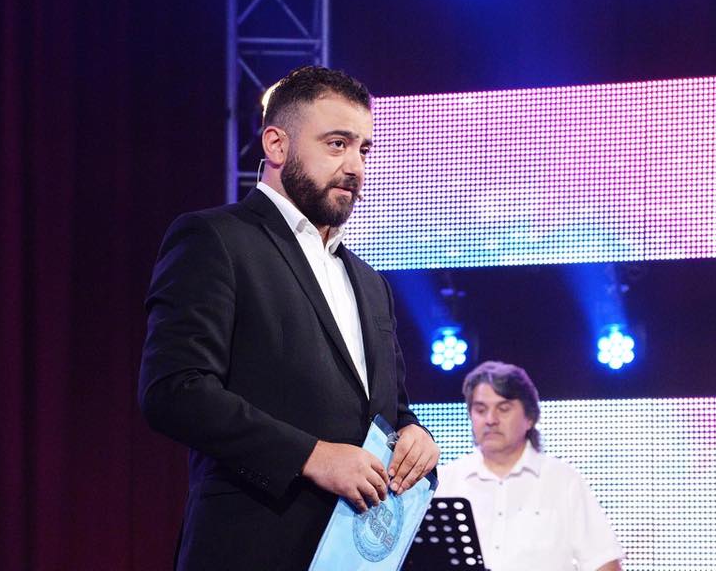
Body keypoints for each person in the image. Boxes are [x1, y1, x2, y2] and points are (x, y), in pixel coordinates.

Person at [139, 66, 439, 571]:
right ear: (276, 144)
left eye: (364, 150)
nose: (355, 167)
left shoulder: (371, 283)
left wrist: (415, 437)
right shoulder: (215, 239)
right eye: (337, 144)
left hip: (357, 557)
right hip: (252, 549)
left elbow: (390, 412)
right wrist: (311, 456)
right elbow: (174, 390)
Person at [436, 361, 624, 571]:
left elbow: (604, 562)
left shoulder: (562, 480)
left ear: (530, 417)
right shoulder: (444, 481)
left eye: (503, 409)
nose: (490, 419)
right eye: (480, 410)